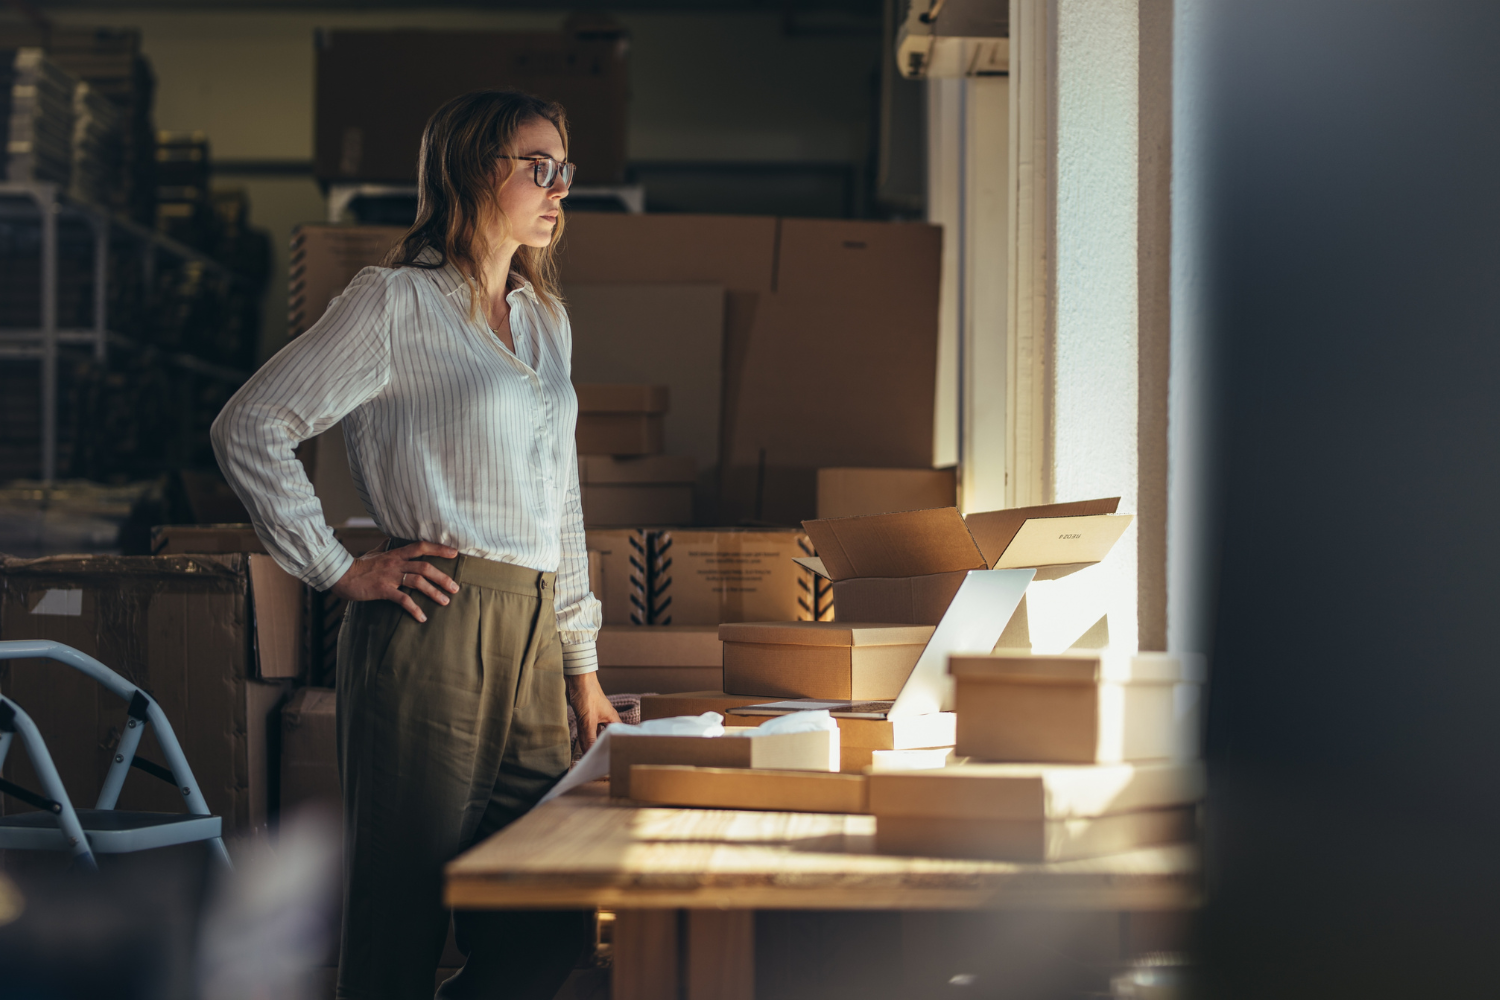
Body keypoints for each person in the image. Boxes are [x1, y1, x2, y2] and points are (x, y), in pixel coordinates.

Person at [211, 90, 620, 1000]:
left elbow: (564, 500)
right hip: (433, 620)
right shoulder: (395, 304)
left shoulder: (544, 320)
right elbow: (252, 425)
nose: (560, 190)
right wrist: (335, 567)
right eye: (538, 167)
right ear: (477, 171)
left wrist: (580, 665)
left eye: (566, 171)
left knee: (548, 910)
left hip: (531, 630)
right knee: (401, 917)